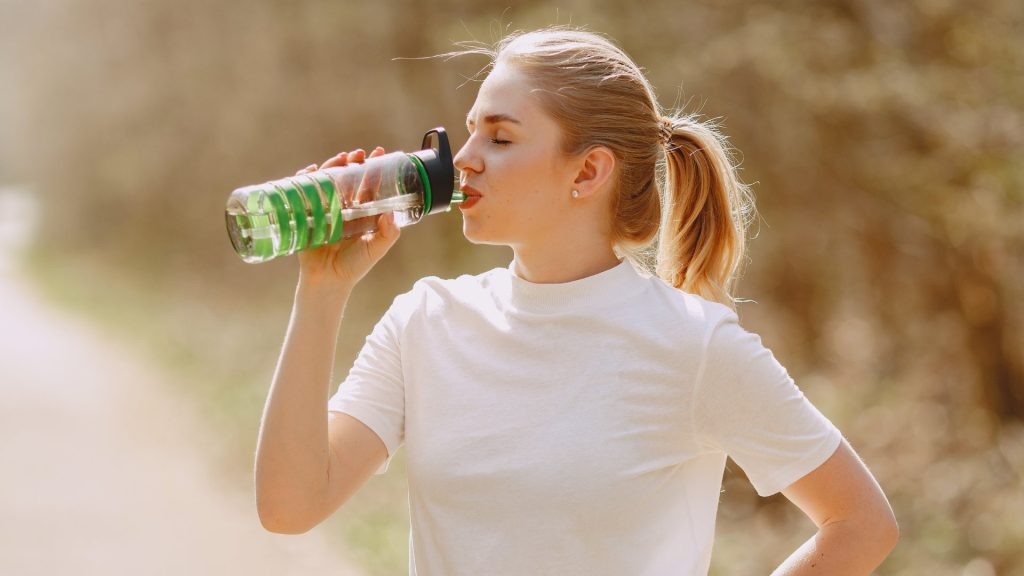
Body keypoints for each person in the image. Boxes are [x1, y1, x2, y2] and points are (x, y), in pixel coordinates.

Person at [254, 27, 899, 576]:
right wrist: (323, 289)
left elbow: (861, 523)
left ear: (588, 172)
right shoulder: (424, 321)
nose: (463, 161)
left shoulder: (693, 344)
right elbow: (289, 506)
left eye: (500, 138)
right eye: (469, 132)